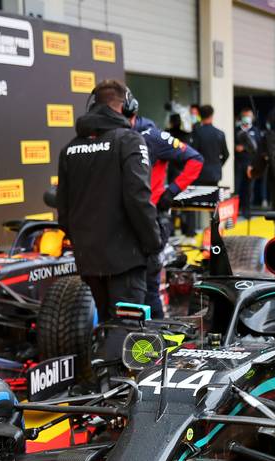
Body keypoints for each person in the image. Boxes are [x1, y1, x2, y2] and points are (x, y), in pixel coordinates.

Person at [56, 80, 161, 353]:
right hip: (126, 260)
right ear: (126, 107)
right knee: (129, 338)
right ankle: (124, 391)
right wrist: (153, 243)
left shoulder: (70, 148)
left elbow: (63, 212)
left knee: (106, 327)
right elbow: (139, 198)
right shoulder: (130, 140)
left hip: (90, 260)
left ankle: (102, 384)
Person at [133, 113, 203, 318]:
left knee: (149, 283)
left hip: (152, 216)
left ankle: (155, 338)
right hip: (124, 219)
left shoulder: (153, 136)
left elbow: (195, 159)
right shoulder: (114, 136)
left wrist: (171, 191)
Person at [190, 104, 228, 186]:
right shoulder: (220, 134)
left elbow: (193, 153)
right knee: (212, 197)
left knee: (200, 198)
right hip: (215, 173)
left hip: (200, 173)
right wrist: (218, 165)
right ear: (211, 115)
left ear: (200, 116)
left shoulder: (197, 132)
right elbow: (226, 154)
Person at [234, 108, 259, 216]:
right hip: (238, 163)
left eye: (249, 116)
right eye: (245, 115)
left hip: (250, 164)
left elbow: (258, 147)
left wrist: (244, 147)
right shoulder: (236, 130)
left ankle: (247, 211)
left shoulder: (255, 130)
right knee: (237, 187)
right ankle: (236, 210)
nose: (247, 118)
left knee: (249, 189)